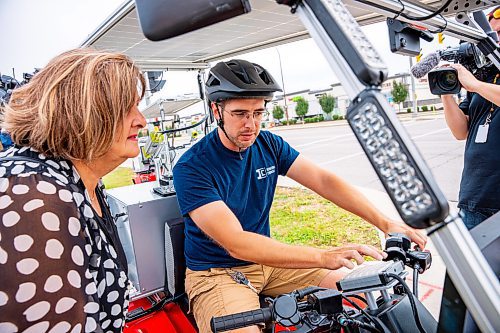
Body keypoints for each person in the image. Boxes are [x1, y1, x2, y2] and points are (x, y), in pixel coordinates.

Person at [173, 59, 427, 333]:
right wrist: (321, 256)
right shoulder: (192, 167)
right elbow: (236, 243)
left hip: (268, 263)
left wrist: (385, 222)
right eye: (240, 113)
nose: (251, 124)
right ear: (216, 110)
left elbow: (322, 180)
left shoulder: (268, 144)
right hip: (219, 274)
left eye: (258, 113)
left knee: (362, 295)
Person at [0, 48, 146, 332]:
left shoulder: (77, 182)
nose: (141, 120)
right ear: (82, 112)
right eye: (127, 107)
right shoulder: (33, 197)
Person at [440, 8, 500, 230]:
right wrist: (445, 92)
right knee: (465, 266)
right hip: (474, 197)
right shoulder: (484, 76)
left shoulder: (478, 83)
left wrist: (474, 84)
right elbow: (460, 131)